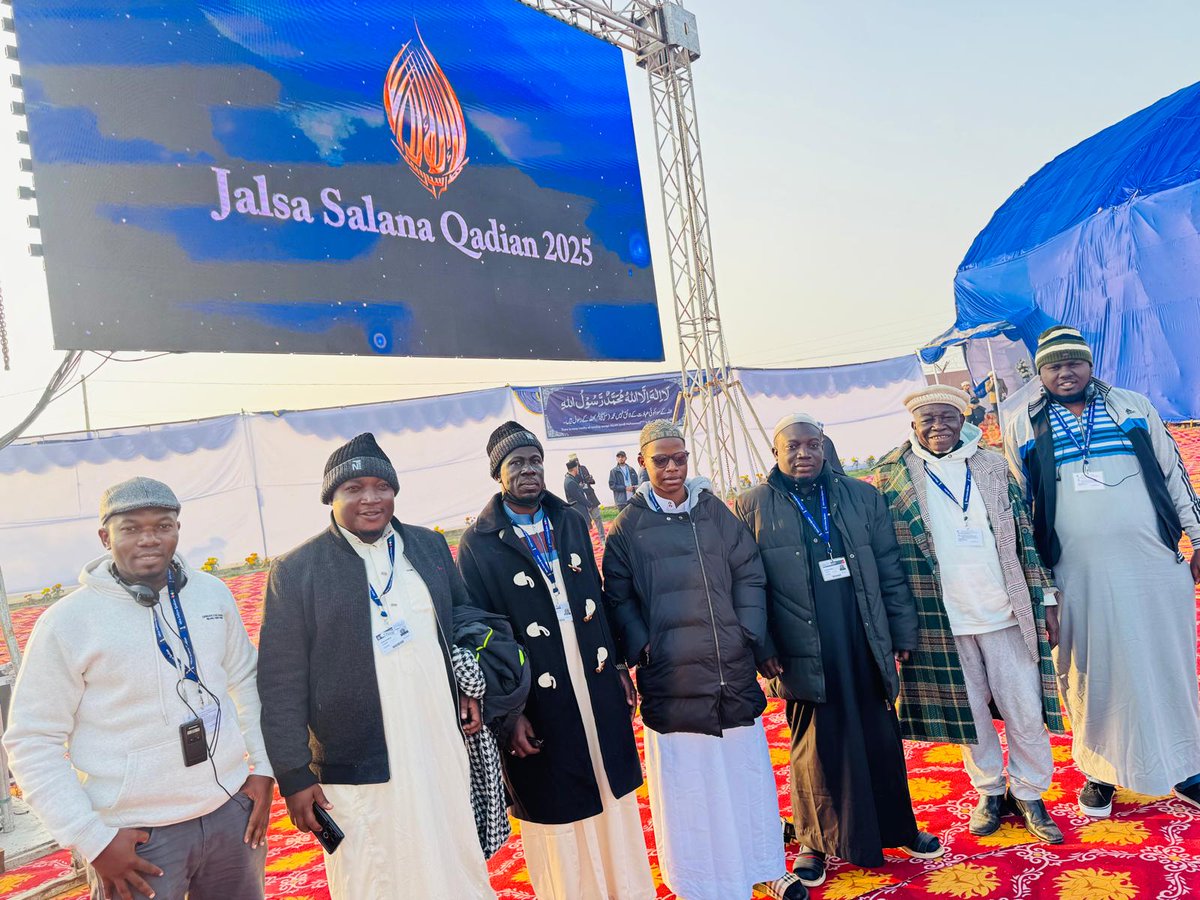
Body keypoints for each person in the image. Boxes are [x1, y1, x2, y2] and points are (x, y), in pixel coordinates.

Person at [4, 477, 274, 900]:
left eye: (163, 525)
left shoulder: (212, 595)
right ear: (104, 536)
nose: (149, 538)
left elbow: (247, 681)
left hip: (230, 813)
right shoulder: (67, 622)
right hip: (137, 835)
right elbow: (31, 738)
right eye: (131, 527)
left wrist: (262, 767)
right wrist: (91, 839)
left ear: (178, 529)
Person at [257, 433, 496, 900]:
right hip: (357, 756)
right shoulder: (297, 569)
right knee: (376, 868)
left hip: (437, 739)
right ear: (331, 497)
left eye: (381, 486)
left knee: (450, 849)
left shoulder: (426, 546)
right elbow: (280, 682)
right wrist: (294, 775)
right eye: (354, 489)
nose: (371, 498)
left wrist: (468, 677)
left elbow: (464, 615)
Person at [733, 414, 942, 888]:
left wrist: (902, 631)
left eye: (812, 445)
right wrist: (762, 645)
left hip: (861, 634)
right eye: (794, 448)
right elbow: (747, 584)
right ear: (776, 453)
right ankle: (814, 841)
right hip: (799, 645)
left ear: (825, 449)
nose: (804, 454)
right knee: (815, 746)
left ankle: (897, 827)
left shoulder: (861, 496)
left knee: (878, 734)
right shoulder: (752, 505)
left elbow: (889, 566)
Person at [604, 420, 806, 900]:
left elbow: (749, 573)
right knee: (690, 787)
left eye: (680, 458)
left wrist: (747, 633)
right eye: (661, 460)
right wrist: (643, 647)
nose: (672, 468)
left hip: (729, 669)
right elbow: (617, 595)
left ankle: (763, 865)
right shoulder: (629, 526)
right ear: (642, 463)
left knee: (745, 773)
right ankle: (703, 884)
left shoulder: (713, 510)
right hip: (672, 679)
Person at [1003, 326, 1200, 816]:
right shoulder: (1022, 423)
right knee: (1087, 668)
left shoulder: (1132, 406)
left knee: (1166, 661)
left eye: (1074, 362)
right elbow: (1020, 507)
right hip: (1074, 573)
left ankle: (1187, 766)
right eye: (1054, 365)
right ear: (1040, 372)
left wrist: (1199, 538)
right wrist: (1040, 587)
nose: (1065, 372)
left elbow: (1174, 474)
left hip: (1151, 563)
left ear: (1090, 365)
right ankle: (1100, 772)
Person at [457, 421, 653, 900]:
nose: (529, 471)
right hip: (537, 698)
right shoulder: (479, 542)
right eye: (516, 464)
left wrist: (621, 669)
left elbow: (596, 598)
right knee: (557, 800)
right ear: (497, 474)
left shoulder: (568, 520)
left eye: (534, 461)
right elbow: (480, 632)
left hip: (594, 678)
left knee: (610, 790)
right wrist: (510, 715)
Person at [876, 387, 1065, 843]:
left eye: (948, 417)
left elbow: (1025, 537)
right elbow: (883, 556)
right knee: (970, 715)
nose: (938, 426)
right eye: (928, 419)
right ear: (913, 424)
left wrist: (1046, 600)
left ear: (964, 420)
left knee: (1024, 708)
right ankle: (990, 791)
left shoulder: (992, 465)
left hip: (1005, 612)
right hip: (941, 621)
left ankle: (1030, 792)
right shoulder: (891, 475)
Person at [565, 457, 606, 544]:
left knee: (597, 519)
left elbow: (592, 481)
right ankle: (587, 544)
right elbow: (578, 496)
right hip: (583, 505)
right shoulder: (571, 479)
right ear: (574, 467)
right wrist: (588, 504)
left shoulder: (583, 469)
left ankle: (602, 539)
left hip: (590, 499)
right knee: (586, 525)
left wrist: (589, 480)